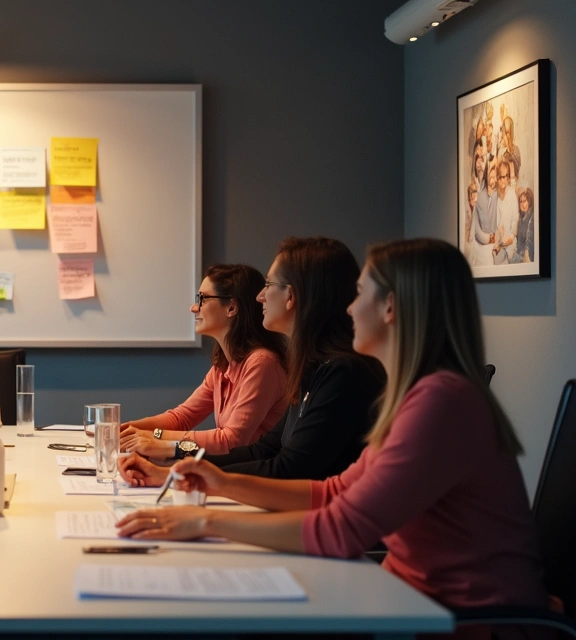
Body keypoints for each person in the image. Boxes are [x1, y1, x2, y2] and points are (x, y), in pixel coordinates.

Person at [116, 238, 550, 617]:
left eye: (360, 293)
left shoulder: (440, 402)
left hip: (461, 621)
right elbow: (332, 492)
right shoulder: (420, 394)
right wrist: (213, 480)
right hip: (407, 600)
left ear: (391, 306)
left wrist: (206, 521)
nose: (348, 307)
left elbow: (340, 529)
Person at [119, 237, 384, 485]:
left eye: (268, 286)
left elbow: (281, 465)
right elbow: (264, 450)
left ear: (291, 297)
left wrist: (171, 457)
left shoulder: (336, 372)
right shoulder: (312, 369)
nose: (260, 297)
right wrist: (172, 465)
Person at [119, 264, 287, 457]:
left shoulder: (262, 363)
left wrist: (154, 437)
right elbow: (181, 418)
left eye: (202, 299)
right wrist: (123, 431)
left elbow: (231, 441)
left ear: (231, 307)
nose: (193, 308)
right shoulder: (223, 365)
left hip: (253, 479)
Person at [510, 188, 535, 264]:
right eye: (520, 202)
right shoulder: (520, 220)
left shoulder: (532, 217)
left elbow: (529, 240)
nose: (523, 204)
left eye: (525, 201)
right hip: (519, 254)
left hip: (527, 256)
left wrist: (525, 255)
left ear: (529, 201)